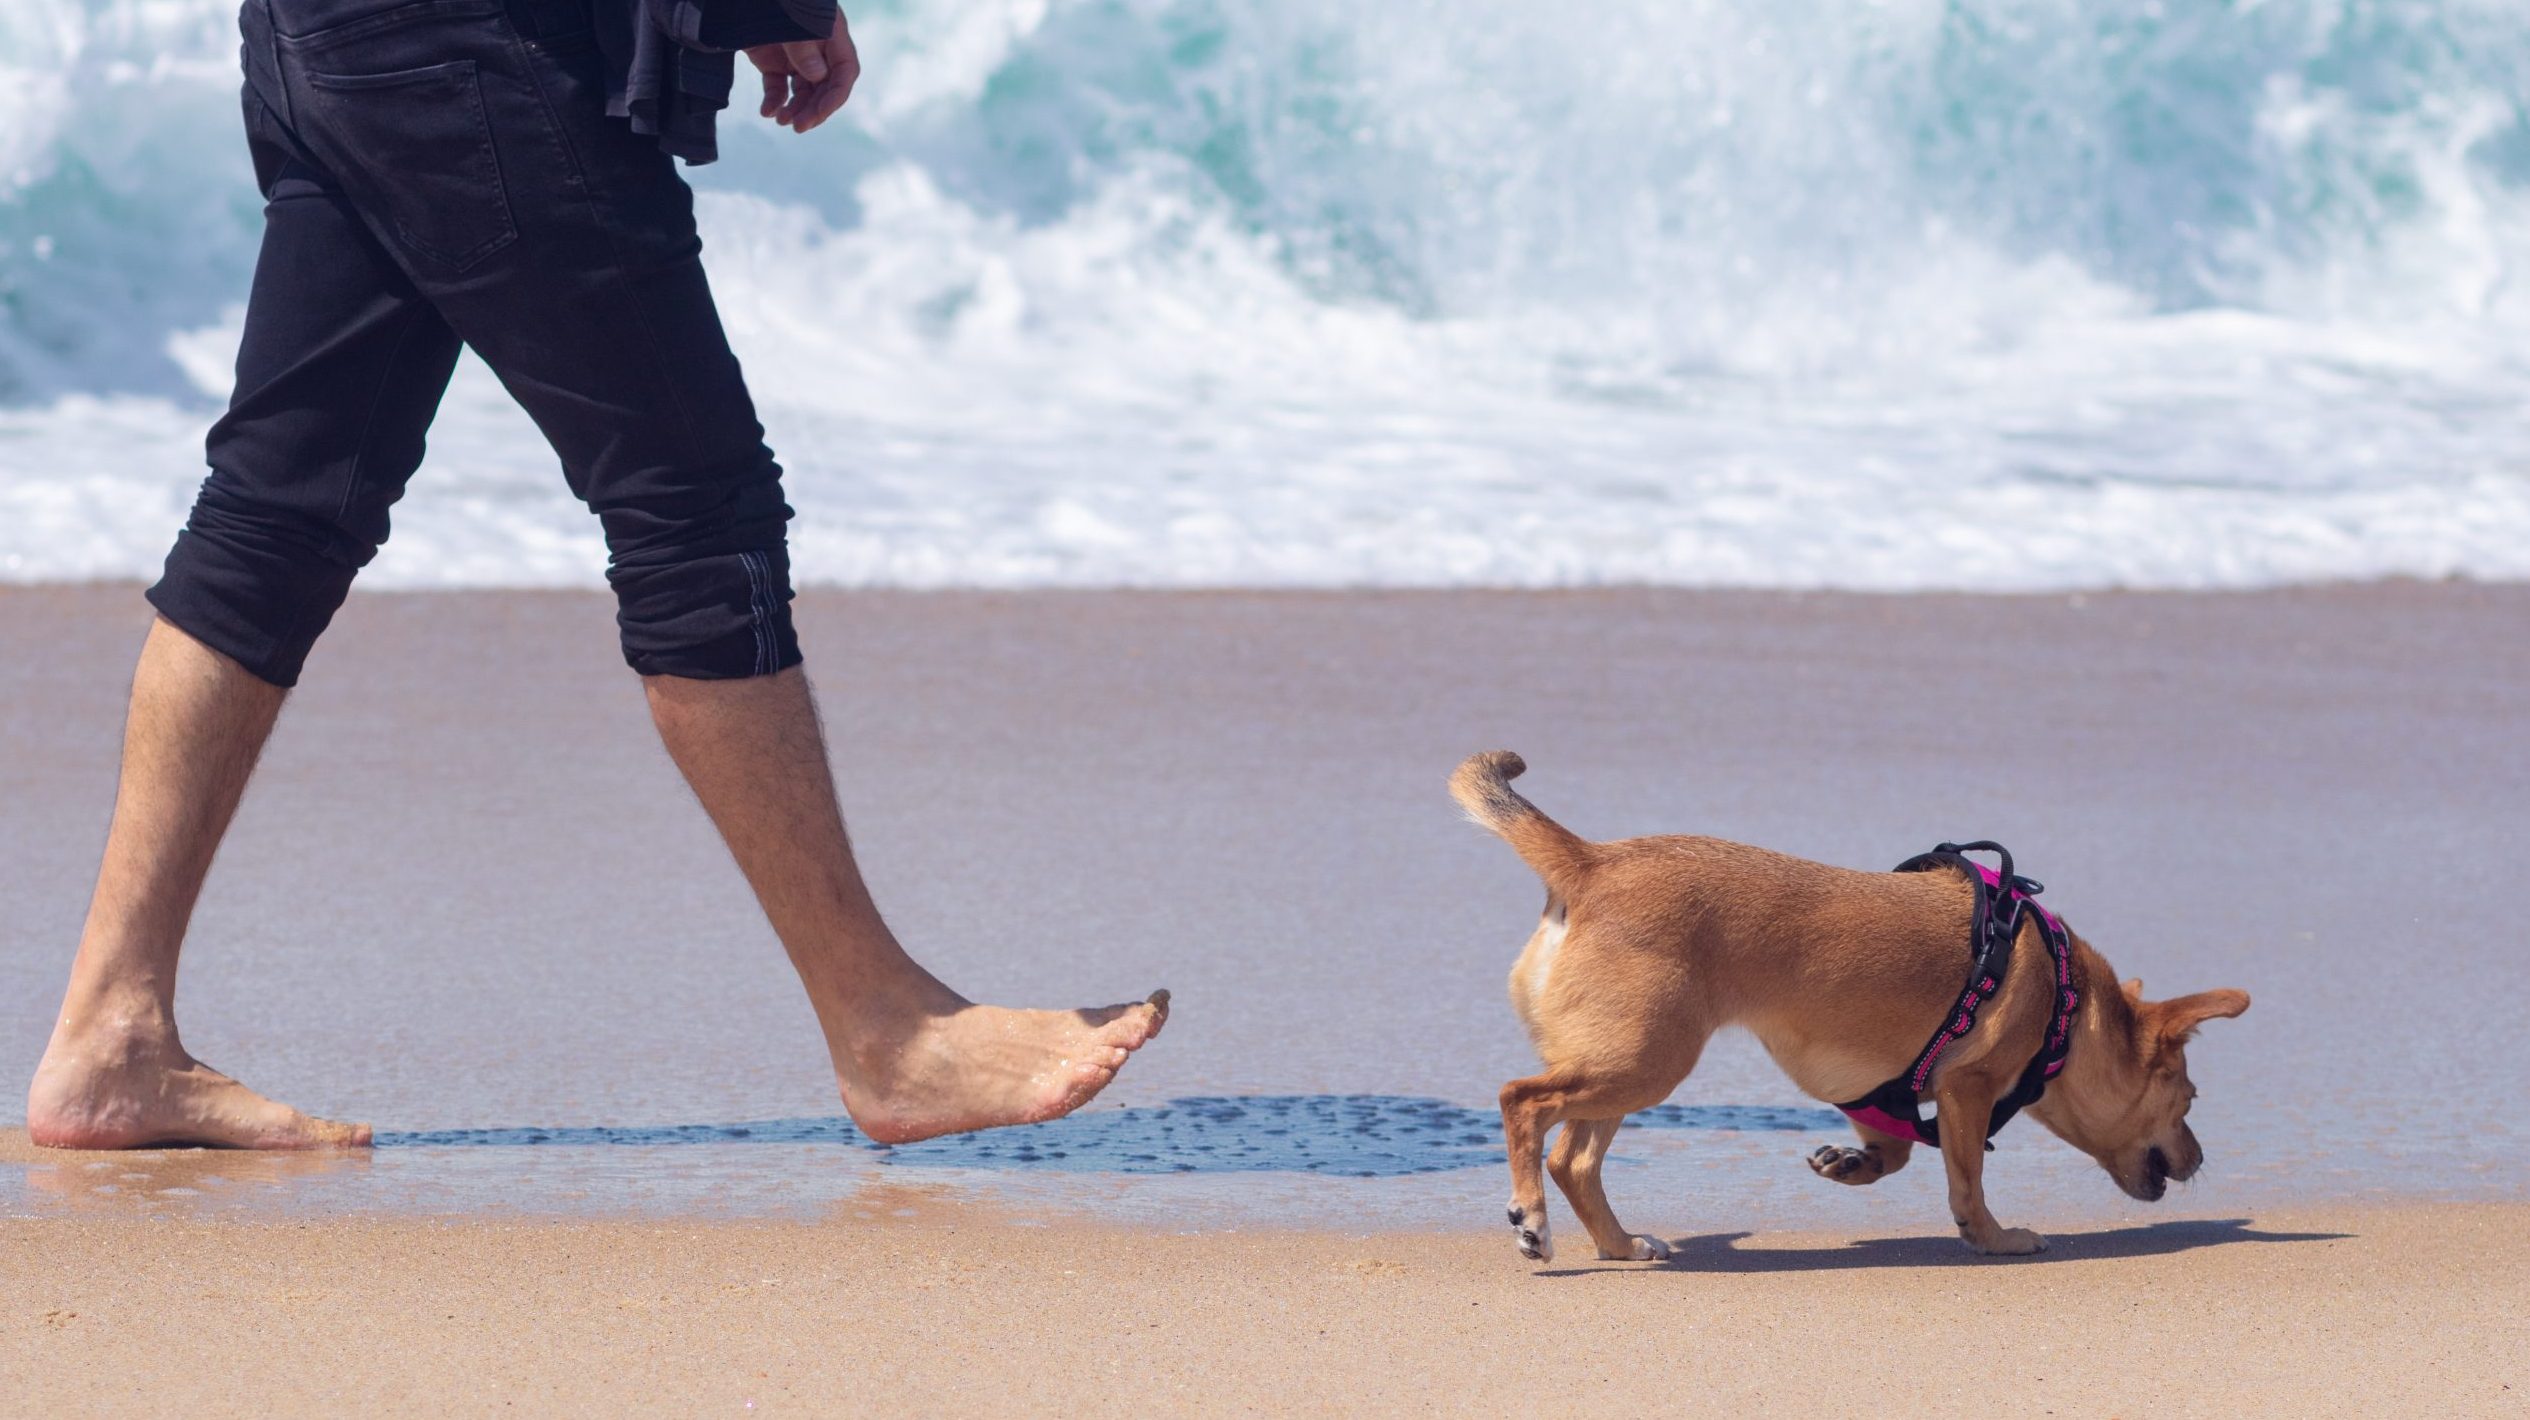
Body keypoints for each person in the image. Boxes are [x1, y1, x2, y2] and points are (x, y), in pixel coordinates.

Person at [24, 0, 1166, 1151]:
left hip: (320, 41)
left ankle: (109, 1031)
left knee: (275, 518)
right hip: (473, 51)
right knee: (696, 514)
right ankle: (889, 1030)